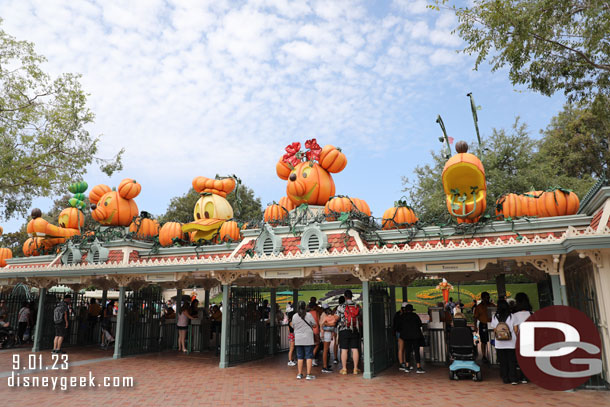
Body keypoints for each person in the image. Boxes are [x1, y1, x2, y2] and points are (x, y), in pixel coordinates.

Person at [490, 299, 518, 384]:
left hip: (499, 343)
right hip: (511, 342)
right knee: (512, 361)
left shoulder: (495, 317)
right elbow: (516, 329)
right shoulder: (512, 316)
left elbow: (495, 330)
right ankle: (513, 378)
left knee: (503, 361)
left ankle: (505, 378)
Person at [337, 290, 361, 375]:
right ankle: (355, 368)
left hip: (344, 329)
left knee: (344, 349)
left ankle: (344, 369)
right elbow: (360, 317)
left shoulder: (341, 306)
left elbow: (337, 317)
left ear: (345, 297)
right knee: (355, 349)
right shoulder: (357, 305)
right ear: (352, 296)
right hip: (354, 329)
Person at [291, 301, 317, 380]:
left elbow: (293, 326)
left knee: (300, 357)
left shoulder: (295, 316)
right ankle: (308, 374)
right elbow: (314, 324)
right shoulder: (308, 315)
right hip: (308, 338)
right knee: (309, 356)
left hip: (298, 339)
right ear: (305, 306)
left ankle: (299, 374)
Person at [511, 292, 533, 384]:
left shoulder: (514, 315)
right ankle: (526, 376)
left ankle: (521, 376)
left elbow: (514, 329)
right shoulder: (532, 313)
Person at [399, 304, 425, 373]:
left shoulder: (402, 317)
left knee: (407, 351)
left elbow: (400, 326)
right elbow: (420, 324)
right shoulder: (415, 316)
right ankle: (418, 367)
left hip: (406, 337)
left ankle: (407, 367)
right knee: (416, 351)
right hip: (415, 336)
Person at [473, 291, 495, 363]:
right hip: (483, 324)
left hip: (492, 325)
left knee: (493, 340)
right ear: (482, 298)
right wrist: (475, 326)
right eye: (486, 298)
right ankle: (484, 355)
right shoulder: (478, 307)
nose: (487, 299)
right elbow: (475, 317)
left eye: (488, 297)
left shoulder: (492, 305)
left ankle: (494, 355)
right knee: (483, 341)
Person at [319, 303, 338, 373]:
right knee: (325, 349)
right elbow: (324, 324)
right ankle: (324, 366)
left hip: (325, 333)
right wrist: (330, 324)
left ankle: (325, 364)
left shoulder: (323, 314)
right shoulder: (325, 315)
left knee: (326, 349)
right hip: (326, 333)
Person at [307, 298, 321, 366]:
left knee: (310, 345)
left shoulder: (307, 314)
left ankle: (310, 358)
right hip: (316, 330)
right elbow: (318, 321)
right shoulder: (316, 313)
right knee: (317, 344)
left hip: (309, 330)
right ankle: (312, 357)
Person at [394, 303, 407, 371]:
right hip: (400, 332)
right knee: (401, 348)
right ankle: (401, 363)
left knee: (403, 348)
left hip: (400, 332)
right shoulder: (399, 315)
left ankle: (404, 362)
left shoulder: (398, 314)